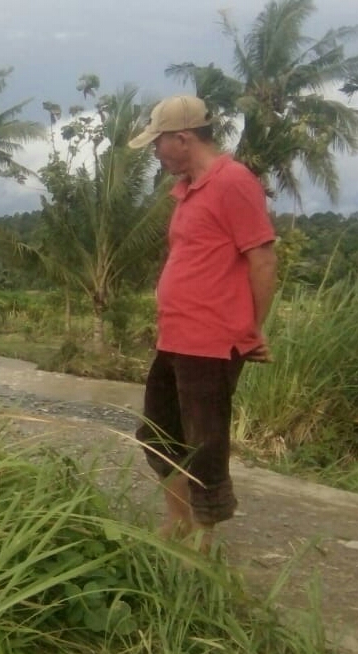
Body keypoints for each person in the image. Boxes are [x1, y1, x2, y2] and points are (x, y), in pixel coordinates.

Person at [128, 95, 277, 547]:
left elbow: (263, 258)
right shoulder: (189, 189)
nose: (156, 153)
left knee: (204, 445)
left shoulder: (233, 182)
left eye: (158, 144)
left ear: (183, 138)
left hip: (212, 341)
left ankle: (203, 545)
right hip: (176, 336)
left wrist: (251, 329)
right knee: (157, 435)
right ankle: (180, 521)